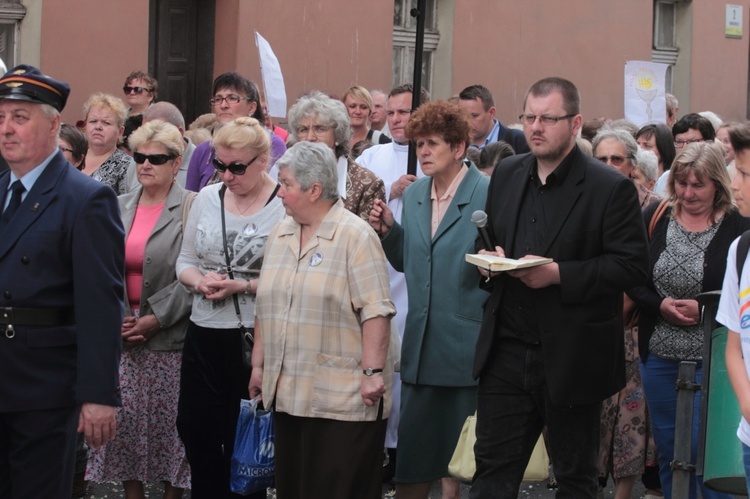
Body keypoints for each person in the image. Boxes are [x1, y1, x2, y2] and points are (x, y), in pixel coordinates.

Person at [470, 77, 649, 498]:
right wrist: (490, 260)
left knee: (574, 479)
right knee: (491, 475)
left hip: (572, 355)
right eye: (529, 117)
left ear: (575, 123)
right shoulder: (509, 172)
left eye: (548, 118)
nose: (536, 127)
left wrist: (558, 274)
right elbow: (490, 238)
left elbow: (631, 267)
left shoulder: (609, 187)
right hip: (507, 349)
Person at [0, 64, 124, 498]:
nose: (6, 129)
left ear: (54, 124)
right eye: (0, 117)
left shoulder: (85, 198)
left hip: (44, 386)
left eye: (20, 117)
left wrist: (98, 394)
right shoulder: (1, 190)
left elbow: (101, 303)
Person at [250, 141, 395, 499]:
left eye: (285, 184)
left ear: (314, 190)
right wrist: (258, 367)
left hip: (343, 398)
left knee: (337, 489)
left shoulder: (356, 235)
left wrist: (373, 373)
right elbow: (266, 305)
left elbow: (376, 309)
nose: (279, 192)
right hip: (288, 392)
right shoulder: (281, 233)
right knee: (296, 488)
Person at [369, 100, 489, 499]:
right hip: (420, 351)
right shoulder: (416, 193)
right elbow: (412, 262)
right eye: (419, 143)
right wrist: (390, 232)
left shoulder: (489, 192)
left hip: (465, 353)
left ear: (458, 147)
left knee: (473, 467)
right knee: (413, 467)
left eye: (432, 143)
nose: (422, 151)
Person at [630, 141, 746, 499]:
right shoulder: (655, 215)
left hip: (714, 360)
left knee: (707, 450)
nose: (688, 193)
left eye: (698, 185)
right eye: (681, 183)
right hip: (661, 356)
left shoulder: (738, 226)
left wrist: (707, 309)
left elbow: (737, 292)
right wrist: (660, 304)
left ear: (717, 185)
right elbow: (634, 278)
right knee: (671, 449)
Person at [176, 116, 284, 498]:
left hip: (252, 338)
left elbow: (289, 279)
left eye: (237, 167)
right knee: (195, 430)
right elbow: (184, 261)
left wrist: (243, 285)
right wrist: (198, 281)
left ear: (263, 161)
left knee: (244, 442)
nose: (227, 175)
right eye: (219, 165)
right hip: (203, 332)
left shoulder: (283, 204)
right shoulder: (206, 197)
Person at [86, 121, 193, 499]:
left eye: (157, 158)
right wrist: (120, 318)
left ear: (176, 162)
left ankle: (171, 495)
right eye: (140, 157)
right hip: (123, 335)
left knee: (172, 428)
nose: (146, 165)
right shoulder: (118, 204)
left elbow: (195, 275)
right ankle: (131, 494)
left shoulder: (192, 206)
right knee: (126, 425)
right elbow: (103, 268)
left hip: (171, 337)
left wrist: (156, 319)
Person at [355, 83, 429, 479]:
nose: (399, 120)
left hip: (410, 273)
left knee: (404, 360)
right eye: (394, 113)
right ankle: (378, 443)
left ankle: (402, 446)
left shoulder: (430, 155)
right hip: (377, 267)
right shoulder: (372, 155)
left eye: (407, 112)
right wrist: (393, 191)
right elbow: (358, 207)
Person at [280, 91, 385, 220]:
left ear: (337, 134)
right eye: (304, 129)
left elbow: (367, 237)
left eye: (320, 129)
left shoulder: (366, 184)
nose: (310, 138)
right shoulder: (288, 177)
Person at [185, 72, 286, 191]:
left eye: (232, 98)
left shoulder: (271, 145)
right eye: (218, 99)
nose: (223, 105)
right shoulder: (203, 151)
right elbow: (192, 199)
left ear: (251, 107)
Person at [719, 122, 750, 497]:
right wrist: (746, 403)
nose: (736, 185)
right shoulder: (741, 250)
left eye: (744, 173)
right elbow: (733, 345)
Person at [124, 101, 196, 191]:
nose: (145, 165)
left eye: (156, 133)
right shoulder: (137, 162)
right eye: (144, 131)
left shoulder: (200, 162)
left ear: (179, 132)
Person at [592, 127, 661, 208]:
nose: (608, 165)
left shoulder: (656, 207)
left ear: (633, 166)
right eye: (602, 159)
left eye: (616, 159)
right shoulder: (585, 200)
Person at [81, 93, 132, 194]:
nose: (98, 127)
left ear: (120, 132)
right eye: (93, 121)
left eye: (106, 123)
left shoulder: (127, 165)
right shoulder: (75, 156)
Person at [458, 84, 529, 153]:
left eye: (474, 116)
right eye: (463, 116)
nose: (467, 122)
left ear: (491, 113)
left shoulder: (518, 140)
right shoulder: (455, 142)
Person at [122, 70, 158, 152]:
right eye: (128, 89)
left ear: (150, 96)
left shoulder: (158, 118)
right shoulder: (120, 116)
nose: (132, 92)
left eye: (137, 89)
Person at [636, 123, 676, 197]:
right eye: (637, 144)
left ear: (663, 150)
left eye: (647, 146)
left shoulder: (672, 180)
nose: (640, 149)